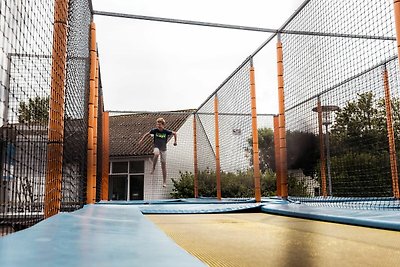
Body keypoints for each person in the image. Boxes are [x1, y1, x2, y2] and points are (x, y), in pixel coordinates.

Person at [138, 117, 177, 188]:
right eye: (157, 124)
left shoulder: (166, 131)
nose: (158, 126)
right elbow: (147, 134)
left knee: (163, 166)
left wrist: (175, 141)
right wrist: (141, 140)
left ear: (163, 125)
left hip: (164, 149)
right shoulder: (155, 131)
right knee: (156, 153)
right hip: (156, 147)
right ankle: (153, 167)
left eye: (159, 125)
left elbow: (175, 133)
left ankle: (164, 182)